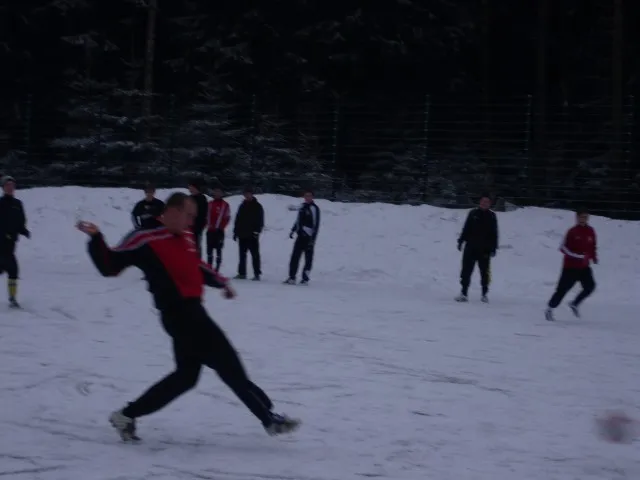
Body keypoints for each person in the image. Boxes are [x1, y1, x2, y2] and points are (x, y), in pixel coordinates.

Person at [76, 192, 299, 442]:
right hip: (180, 315)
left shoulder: (186, 235)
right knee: (228, 363)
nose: (192, 221)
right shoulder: (145, 237)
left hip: (192, 312)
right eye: (189, 215)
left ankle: (126, 416)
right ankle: (268, 418)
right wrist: (96, 238)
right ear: (172, 211)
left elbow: (196, 265)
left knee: (186, 378)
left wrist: (220, 281)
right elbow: (109, 265)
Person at [545, 209, 597, 321]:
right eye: (581, 217)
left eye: (586, 217)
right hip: (570, 267)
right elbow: (563, 248)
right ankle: (550, 308)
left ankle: (574, 303)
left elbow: (592, 245)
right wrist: (577, 256)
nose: (583, 219)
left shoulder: (591, 231)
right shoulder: (572, 231)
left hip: (584, 267)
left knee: (590, 286)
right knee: (562, 290)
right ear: (577, 218)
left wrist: (594, 257)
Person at [455, 194, 498, 303]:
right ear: (480, 202)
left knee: (485, 272)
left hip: (485, 250)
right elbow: (466, 228)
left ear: (490, 204)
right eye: (483, 201)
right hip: (471, 247)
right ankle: (464, 293)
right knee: (466, 271)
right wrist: (461, 241)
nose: (484, 203)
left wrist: (493, 248)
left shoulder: (492, 216)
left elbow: (494, 233)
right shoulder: (473, 213)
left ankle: (484, 294)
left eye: (487, 202)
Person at [0, 176, 30, 308]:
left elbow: (20, 221)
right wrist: (4, 233)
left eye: (12, 185)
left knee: (10, 270)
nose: (10, 188)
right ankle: (12, 299)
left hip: (11, 243)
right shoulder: (0, 203)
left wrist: (24, 231)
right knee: (13, 269)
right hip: (1, 243)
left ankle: (12, 298)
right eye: (7, 185)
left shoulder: (18, 204)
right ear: (3, 188)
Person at [284, 189, 321, 285]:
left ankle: (305, 278)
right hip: (300, 236)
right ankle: (292, 277)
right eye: (306, 196)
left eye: (309, 196)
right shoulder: (302, 206)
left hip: (309, 237)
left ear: (312, 197)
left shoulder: (314, 208)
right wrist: (293, 230)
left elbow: (316, 224)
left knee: (308, 259)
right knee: (294, 257)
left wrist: (313, 239)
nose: (307, 197)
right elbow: (298, 220)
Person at [233, 187, 264, 280]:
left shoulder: (257, 206)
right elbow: (238, 220)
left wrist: (257, 231)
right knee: (242, 255)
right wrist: (235, 232)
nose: (247, 195)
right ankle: (242, 273)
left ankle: (257, 273)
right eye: (245, 194)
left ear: (252, 194)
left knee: (255, 255)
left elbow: (260, 220)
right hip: (242, 234)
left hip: (252, 235)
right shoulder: (242, 206)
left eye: (248, 193)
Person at [206, 186, 231, 270]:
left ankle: (217, 268)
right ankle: (209, 267)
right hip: (210, 231)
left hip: (219, 232)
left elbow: (227, 218)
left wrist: (221, 227)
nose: (217, 193)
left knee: (218, 250)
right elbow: (206, 216)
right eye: (215, 191)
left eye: (219, 192)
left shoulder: (225, 205)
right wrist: (207, 225)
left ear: (222, 193)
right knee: (209, 251)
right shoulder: (209, 204)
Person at [188, 178, 208, 259]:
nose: (189, 188)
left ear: (195, 187)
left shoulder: (202, 198)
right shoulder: (189, 198)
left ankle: (197, 262)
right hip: (188, 227)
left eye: (191, 187)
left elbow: (203, 214)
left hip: (197, 228)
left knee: (196, 247)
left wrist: (200, 226)